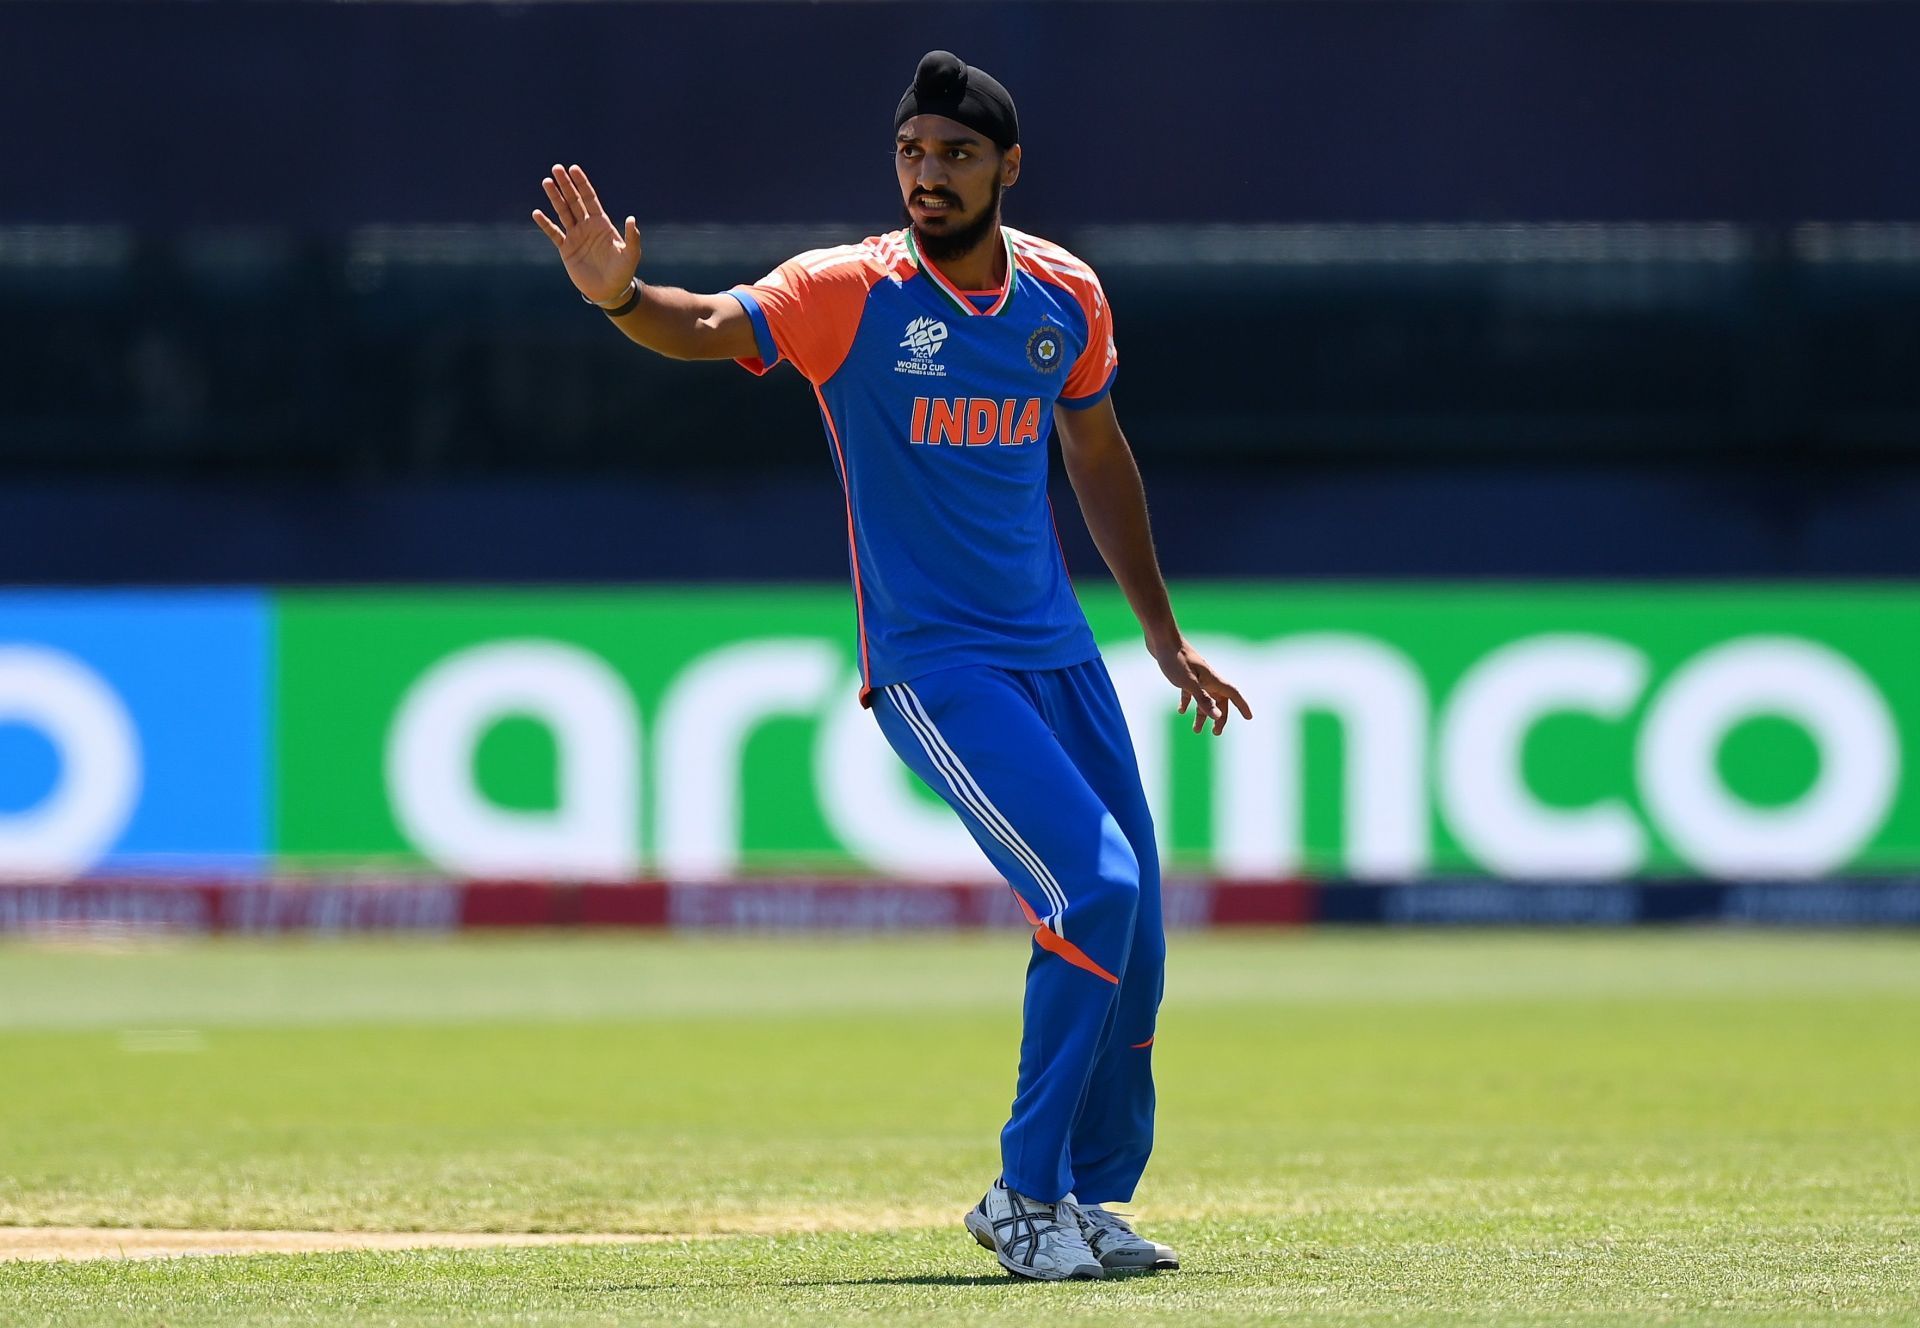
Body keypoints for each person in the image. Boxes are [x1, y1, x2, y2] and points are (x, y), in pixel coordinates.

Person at [532, 49, 1251, 1282]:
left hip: (1058, 654)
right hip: (935, 664)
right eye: (913, 153)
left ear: (1008, 169)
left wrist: (1159, 628)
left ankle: (1087, 1195)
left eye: (956, 156)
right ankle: (1023, 1195)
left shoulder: (1064, 298)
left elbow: (1100, 455)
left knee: (1140, 937)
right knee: (1093, 892)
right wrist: (619, 297)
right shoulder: (848, 293)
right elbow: (708, 325)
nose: (928, 174)